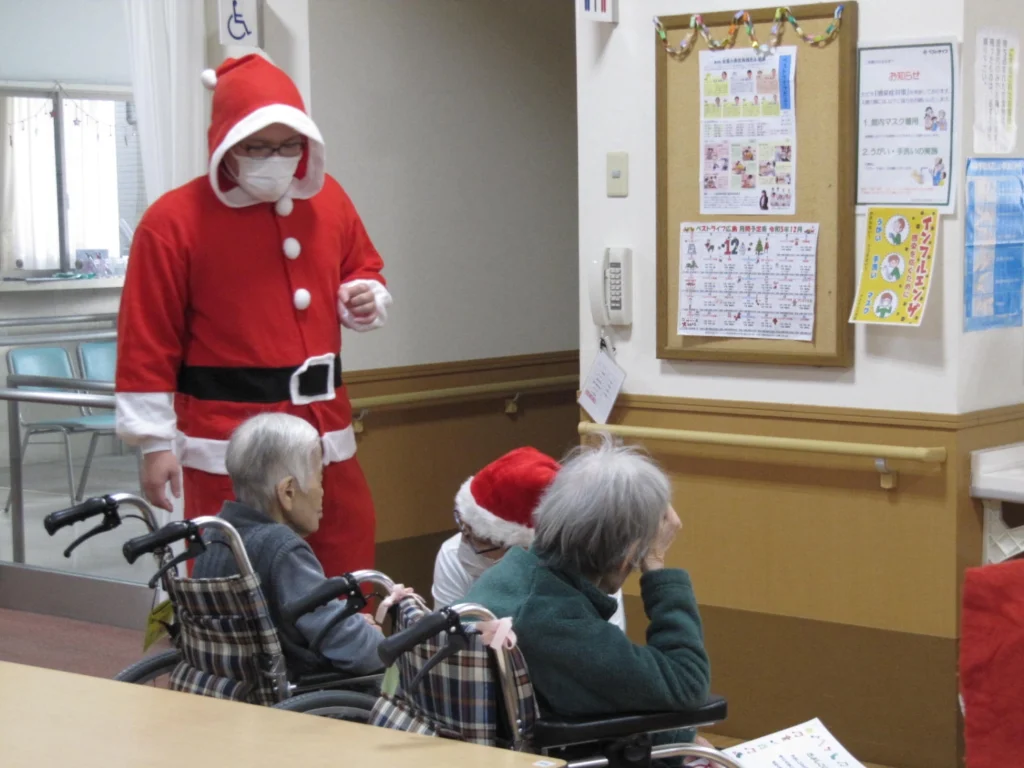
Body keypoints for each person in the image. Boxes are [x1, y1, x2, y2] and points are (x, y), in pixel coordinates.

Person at [115, 53, 392, 577]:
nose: (276, 159)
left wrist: (364, 295)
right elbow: (146, 341)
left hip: (324, 436)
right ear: (225, 143)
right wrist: (154, 443)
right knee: (235, 583)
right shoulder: (171, 222)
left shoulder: (329, 200)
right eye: (258, 147)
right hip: (226, 445)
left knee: (345, 572)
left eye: (289, 145)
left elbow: (362, 266)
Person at [465, 437, 710, 724]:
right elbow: (687, 682)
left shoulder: (510, 573)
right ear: (628, 555)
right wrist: (655, 564)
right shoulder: (556, 621)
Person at [192, 413, 384, 677]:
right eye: (319, 479)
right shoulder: (283, 550)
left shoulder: (215, 533)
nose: (322, 492)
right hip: (291, 686)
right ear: (288, 492)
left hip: (227, 679)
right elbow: (354, 649)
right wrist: (379, 642)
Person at [432, 447, 628, 631]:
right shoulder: (452, 555)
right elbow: (444, 639)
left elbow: (609, 646)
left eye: (480, 541)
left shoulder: (593, 573)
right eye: (463, 528)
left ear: (524, 550)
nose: (464, 544)